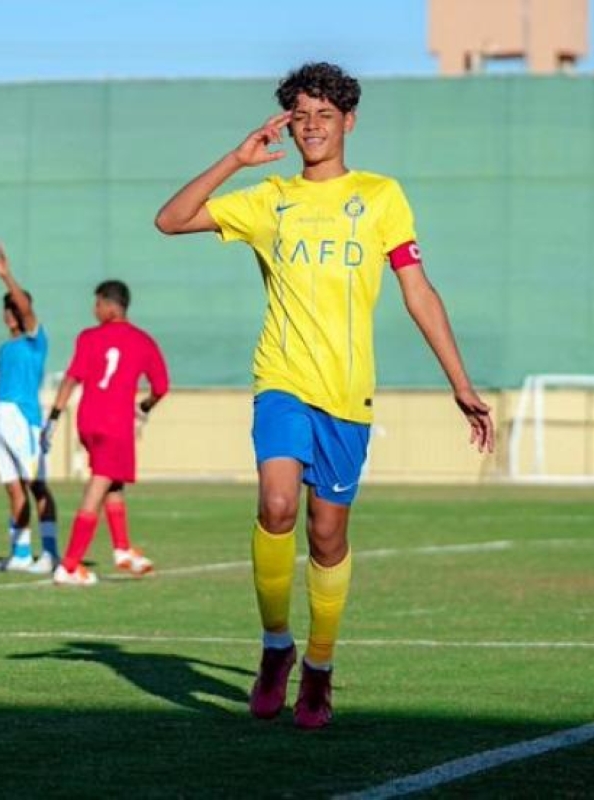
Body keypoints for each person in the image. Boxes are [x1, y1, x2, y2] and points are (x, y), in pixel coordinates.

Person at [154, 62, 494, 729]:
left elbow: (418, 291)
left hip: (347, 394)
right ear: (288, 125)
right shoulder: (269, 198)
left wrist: (460, 382)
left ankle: (319, 666)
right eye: (302, 116)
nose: (313, 127)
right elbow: (171, 219)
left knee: (327, 534)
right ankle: (275, 646)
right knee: (277, 505)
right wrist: (237, 159)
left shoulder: (382, 196)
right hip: (281, 380)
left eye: (325, 116)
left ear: (349, 122)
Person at [41, 280, 170, 587]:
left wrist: (54, 418)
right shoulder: (143, 341)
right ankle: (69, 566)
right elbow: (161, 387)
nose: (94, 309)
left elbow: (71, 379)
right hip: (116, 425)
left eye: (97, 303)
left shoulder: (88, 337)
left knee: (113, 481)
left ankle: (122, 548)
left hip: (87, 422)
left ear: (112, 306)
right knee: (99, 485)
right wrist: (144, 407)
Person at [0, 243, 59, 574]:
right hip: (2, 422)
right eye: (6, 308)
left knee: (36, 485)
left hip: (25, 421)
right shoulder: (4, 349)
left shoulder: (35, 340)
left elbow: (24, 305)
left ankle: (50, 553)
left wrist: (6, 277)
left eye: (15, 307)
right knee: (12, 487)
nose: (10, 312)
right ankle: (20, 554)